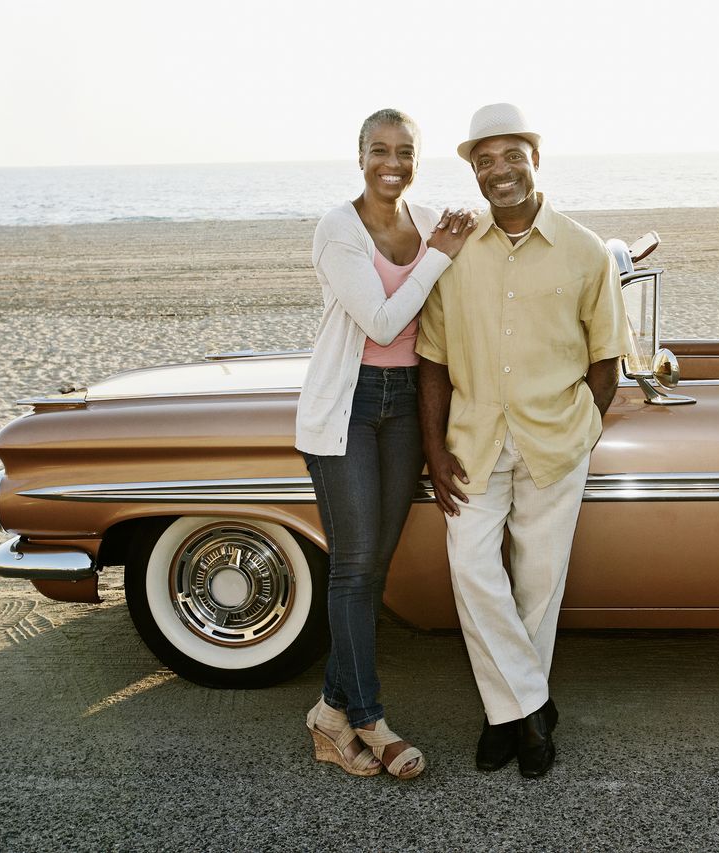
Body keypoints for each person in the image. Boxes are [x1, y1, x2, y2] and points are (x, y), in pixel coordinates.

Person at [416, 103, 631, 778]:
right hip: (472, 442)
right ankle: (531, 709)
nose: (499, 171)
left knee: (539, 582)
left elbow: (606, 360)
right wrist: (433, 446)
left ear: (535, 160)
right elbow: (430, 359)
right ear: (474, 171)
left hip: (554, 442)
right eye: (485, 160)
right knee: (473, 570)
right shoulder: (456, 254)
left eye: (512, 156)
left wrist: (583, 426)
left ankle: (502, 715)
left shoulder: (584, 249)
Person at [295, 108, 474, 780]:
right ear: (360, 155)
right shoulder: (339, 228)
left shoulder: (428, 221)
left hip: (407, 407)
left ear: (417, 157)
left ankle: (330, 714)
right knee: (353, 564)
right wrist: (438, 258)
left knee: (374, 567)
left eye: (404, 150)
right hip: (350, 404)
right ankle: (369, 717)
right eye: (379, 150)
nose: (391, 162)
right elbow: (381, 316)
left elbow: (472, 279)